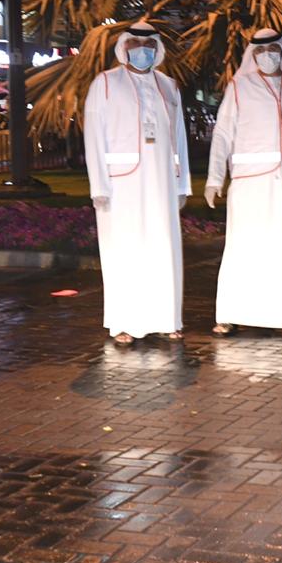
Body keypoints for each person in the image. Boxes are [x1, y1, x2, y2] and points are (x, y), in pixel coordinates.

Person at [205, 29, 282, 334]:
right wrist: (214, 178)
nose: (268, 55)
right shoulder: (239, 87)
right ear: (252, 54)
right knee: (243, 246)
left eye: (274, 49)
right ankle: (231, 313)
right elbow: (222, 134)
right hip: (248, 184)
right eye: (261, 51)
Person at [83, 20, 191, 345]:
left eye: (149, 46)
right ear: (123, 48)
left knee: (163, 248)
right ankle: (124, 322)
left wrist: (183, 183)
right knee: (125, 250)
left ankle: (167, 318)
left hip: (162, 181)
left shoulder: (169, 86)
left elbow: (180, 138)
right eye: (134, 45)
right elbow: (93, 135)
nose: (142, 51)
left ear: (157, 50)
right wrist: (99, 186)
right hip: (120, 186)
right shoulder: (105, 83)